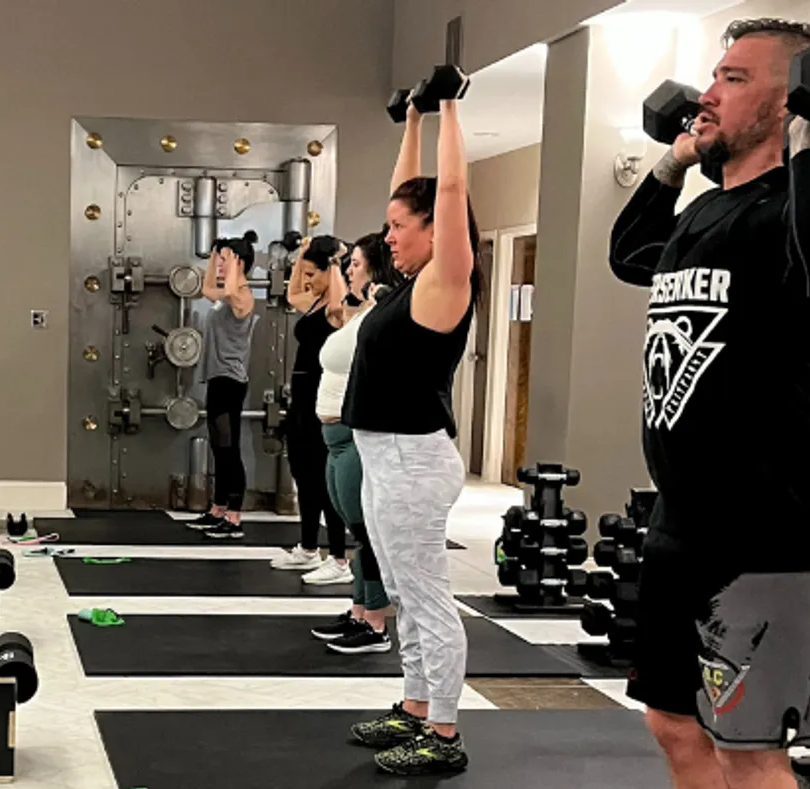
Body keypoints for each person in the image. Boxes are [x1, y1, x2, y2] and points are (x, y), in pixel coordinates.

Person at [608, 19, 810, 789]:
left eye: (732, 78)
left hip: (774, 535)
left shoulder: (799, 211)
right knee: (673, 722)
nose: (706, 93)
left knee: (749, 750)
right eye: (713, 75)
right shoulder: (702, 213)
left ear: (791, 97)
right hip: (684, 524)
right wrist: (676, 158)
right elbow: (628, 254)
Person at [340, 93, 482, 776]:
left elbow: (450, 188)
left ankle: (445, 733)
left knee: (426, 596)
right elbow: (414, 190)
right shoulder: (408, 282)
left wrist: (452, 104)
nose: (387, 235)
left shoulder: (447, 282)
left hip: (412, 458)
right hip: (383, 456)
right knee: (401, 590)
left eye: (401, 225)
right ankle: (416, 706)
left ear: (438, 229)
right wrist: (414, 121)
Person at [310, 231, 404, 654]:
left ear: (376, 270)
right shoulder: (361, 313)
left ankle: (377, 625)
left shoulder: (382, 315)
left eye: (356, 264)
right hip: (336, 439)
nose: (349, 269)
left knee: (368, 532)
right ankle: (358, 610)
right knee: (355, 531)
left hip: (354, 437)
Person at [275, 235, 352, 584]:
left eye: (311, 273)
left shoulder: (338, 307)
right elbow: (292, 295)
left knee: (325, 481)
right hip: (302, 401)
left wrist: (334, 262)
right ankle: (308, 547)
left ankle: (339, 558)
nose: (305, 279)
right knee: (303, 475)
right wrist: (303, 256)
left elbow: (339, 306)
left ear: (330, 272)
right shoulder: (312, 300)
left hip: (324, 399)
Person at [188, 232, 261, 540]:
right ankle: (218, 508)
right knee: (219, 447)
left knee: (229, 449)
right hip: (218, 377)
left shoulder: (242, 295)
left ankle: (234, 516)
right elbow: (207, 289)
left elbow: (229, 287)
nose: (219, 267)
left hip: (231, 379)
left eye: (225, 262)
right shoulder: (224, 296)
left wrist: (231, 261)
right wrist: (215, 255)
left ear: (240, 263)